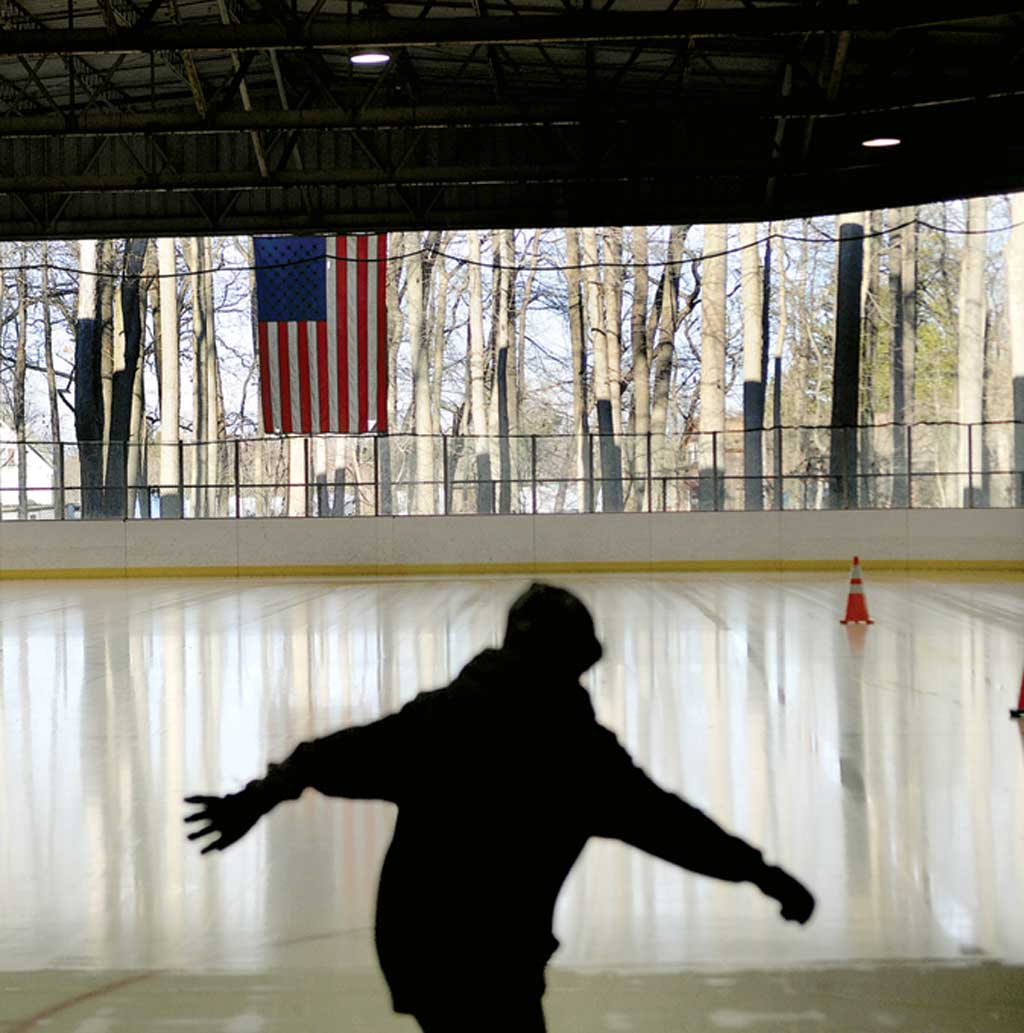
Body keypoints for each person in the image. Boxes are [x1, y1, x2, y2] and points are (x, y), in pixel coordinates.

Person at [185, 582, 815, 1033]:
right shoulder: (576, 755)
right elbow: (673, 826)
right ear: (571, 662)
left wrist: (254, 800)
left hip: (416, 946)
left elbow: (321, 757)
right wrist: (762, 872)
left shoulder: (440, 719)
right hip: (492, 962)